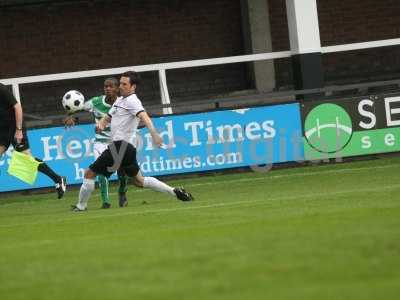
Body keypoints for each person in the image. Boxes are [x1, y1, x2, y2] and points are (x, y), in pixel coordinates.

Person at [71, 71, 193, 211]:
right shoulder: (120, 100)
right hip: (127, 149)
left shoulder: (132, 101)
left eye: (124, 84)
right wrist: (101, 125)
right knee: (139, 181)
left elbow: (144, 117)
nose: (120, 86)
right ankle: (175, 191)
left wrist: (154, 134)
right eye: (120, 83)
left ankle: (81, 206)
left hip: (120, 147)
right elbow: (108, 116)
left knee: (89, 173)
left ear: (133, 87)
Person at [64, 78, 129, 208]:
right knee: (100, 172)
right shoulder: (96, 102)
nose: (108, 89)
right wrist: (72, 118)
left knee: (123, 172)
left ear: (117, 88)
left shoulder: (124, 103)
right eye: (106, 86)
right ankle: (106, 201)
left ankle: (122, 191)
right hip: (100, 143)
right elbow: (78, 107)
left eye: (111, 86)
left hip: (118, 142)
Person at [0, 83, 66, 198]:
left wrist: (19, 130)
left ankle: (58, 179)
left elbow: (17, 107)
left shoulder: (1, 88)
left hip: (14, 126)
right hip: (2, 129)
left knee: (27, 159)